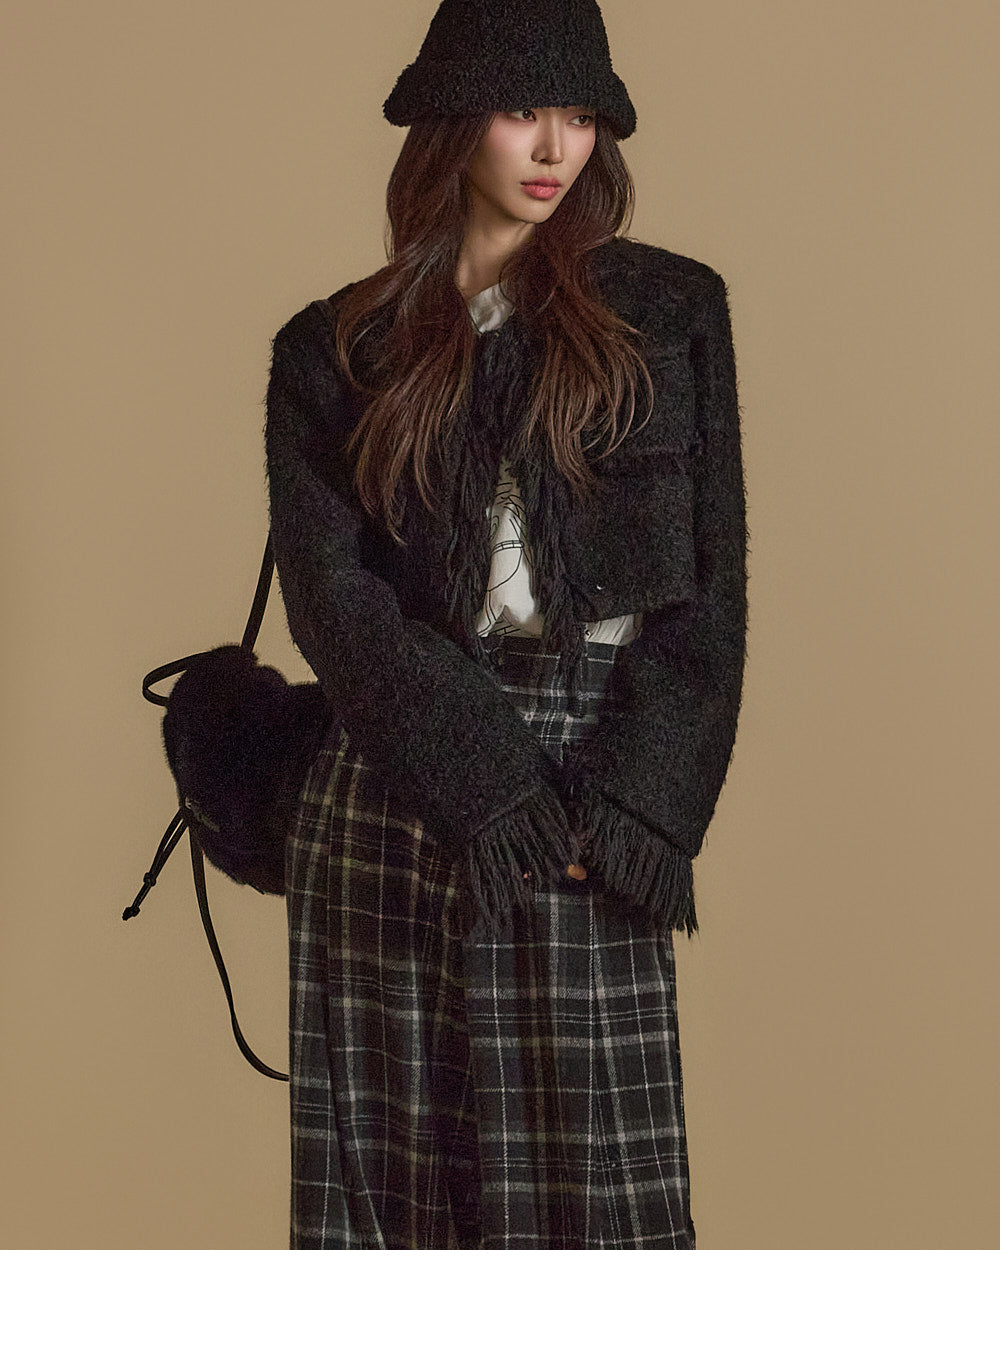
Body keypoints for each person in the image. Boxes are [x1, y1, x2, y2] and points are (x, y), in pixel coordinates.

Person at [264, 0, 748, 1248]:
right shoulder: (337, 347)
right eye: (523, 109)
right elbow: (334, 602)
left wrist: (633, 806)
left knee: (596, 1224)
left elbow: (709, 595)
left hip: (590, 784)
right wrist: (484, 783)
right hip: (394, 779)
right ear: (451, 119)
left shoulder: (668, 311)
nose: (553, 148)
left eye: (580, 117)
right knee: (387, 1213)